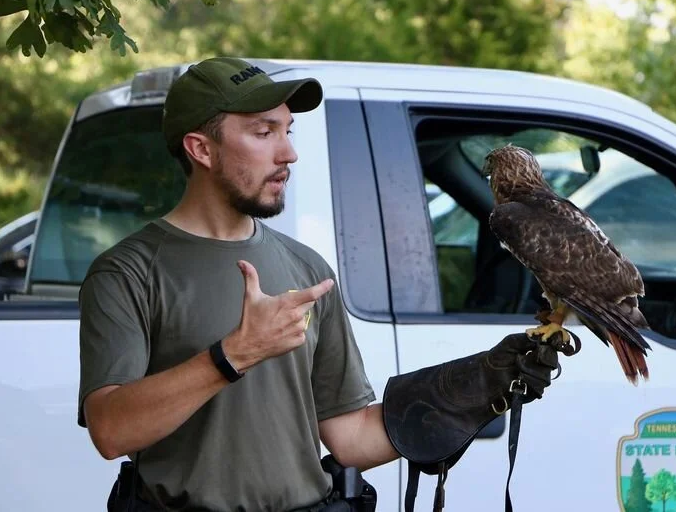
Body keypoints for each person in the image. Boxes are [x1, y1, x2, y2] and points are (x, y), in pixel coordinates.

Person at [77, 56, 560, 512]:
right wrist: (235, 353)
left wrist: (479, 384)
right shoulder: (128, 272)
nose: (288, 153)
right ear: (201, 149)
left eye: (287, 131)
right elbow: (110, 431)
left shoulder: (305, 268)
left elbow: (351, 438)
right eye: (264, 132)